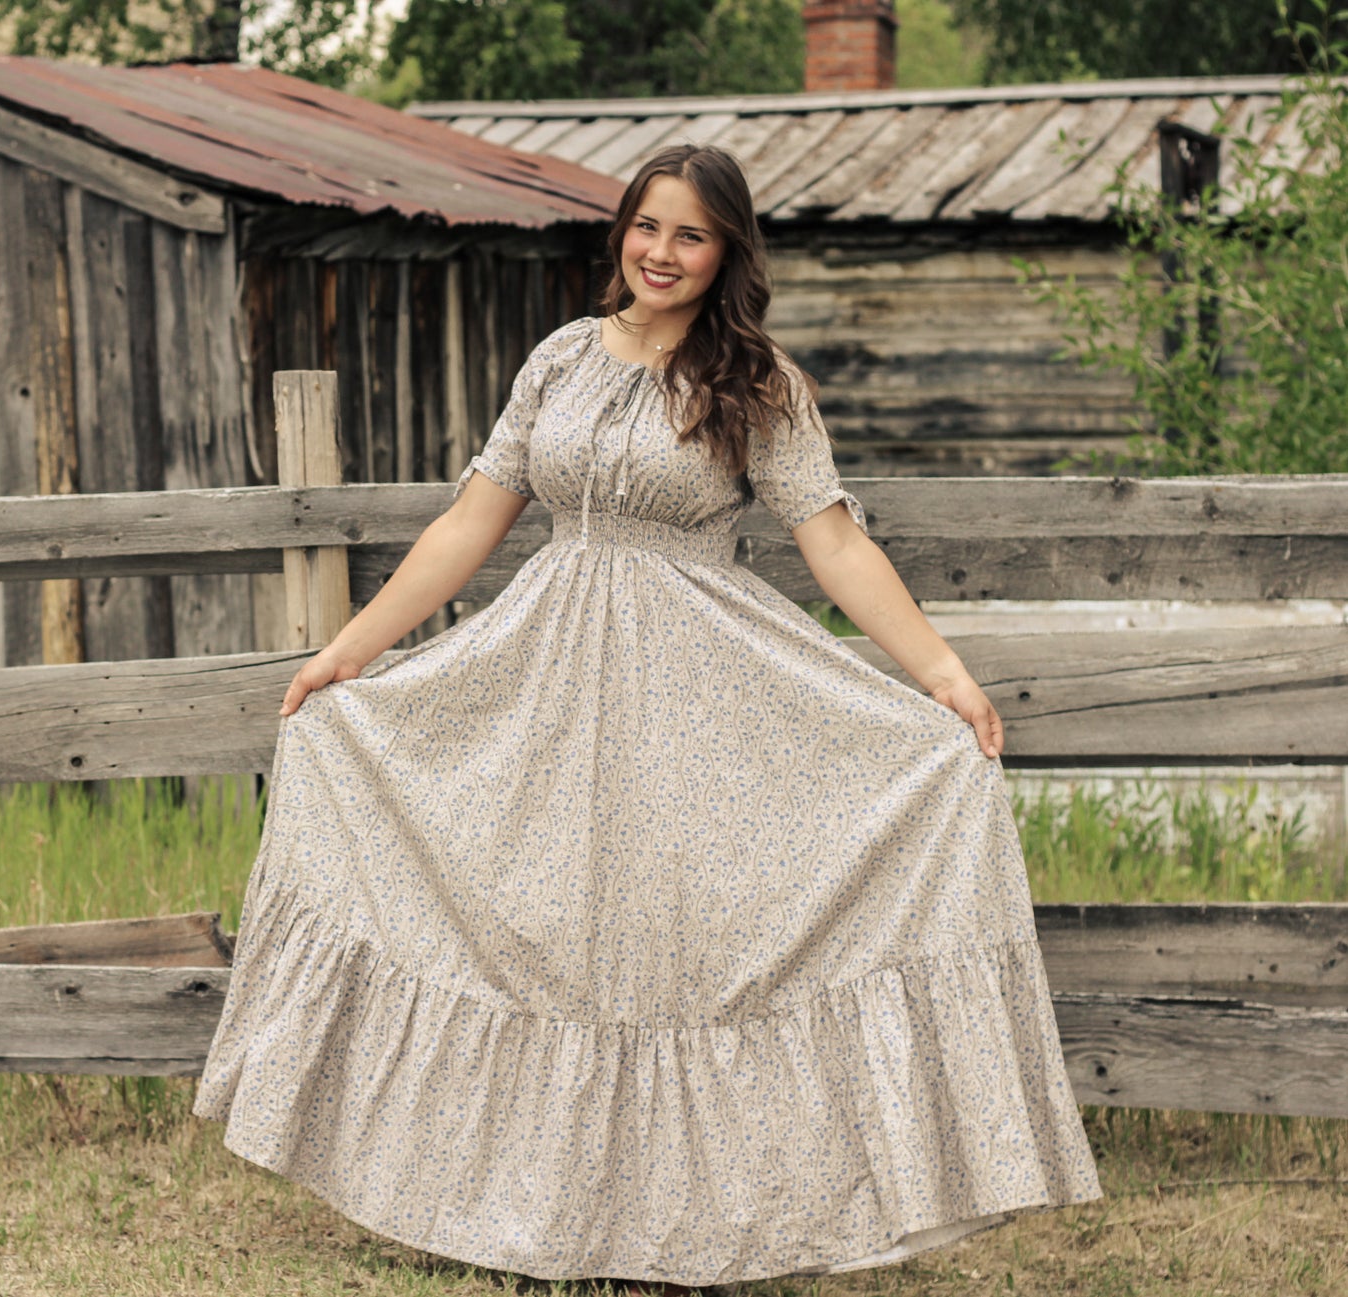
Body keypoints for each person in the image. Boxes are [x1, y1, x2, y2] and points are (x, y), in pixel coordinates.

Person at [191, 143, 1101, 1291]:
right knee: (552, 934)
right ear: (619, 231)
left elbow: (830, 541)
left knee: (679, 948)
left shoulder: (752, 379)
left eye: (690, 235)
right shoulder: (561, 359)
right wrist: (344, 653)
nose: (661, 253)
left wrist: (942, 676)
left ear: (725, 252)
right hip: (548, 674)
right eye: (646, 226)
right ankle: (537, 1214)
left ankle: (693, 1230)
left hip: (697, 688)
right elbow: (468, 525)